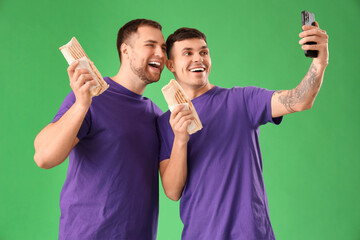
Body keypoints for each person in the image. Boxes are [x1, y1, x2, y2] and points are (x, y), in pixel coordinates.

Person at [157, 23, 328, 239]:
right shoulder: (166, 122)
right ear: (171, 64)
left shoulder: (242, 100)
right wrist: (180, 139)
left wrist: (320, 61)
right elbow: (172, 192)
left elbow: (300, 100)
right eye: (187, 53)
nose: (198, 59)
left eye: (204, 52)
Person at [34, 19, 166, 240]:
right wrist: (81, 105)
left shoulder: (156, 116)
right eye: (150, 45)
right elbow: (44, 157)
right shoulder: (90, 96)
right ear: (126, 50)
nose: (160, 54)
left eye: (163, 48)